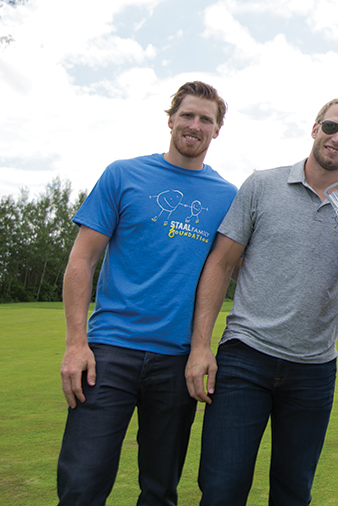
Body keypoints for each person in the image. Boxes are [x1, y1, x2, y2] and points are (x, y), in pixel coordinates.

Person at [57, 81, 237, 505]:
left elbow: (233, 269)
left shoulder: (227, 197)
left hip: (177, 363)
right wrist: (75, 343)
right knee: (82, 484)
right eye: (188, 115)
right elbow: (81, 261)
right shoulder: (123, 174)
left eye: (205, 119)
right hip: (108, 354)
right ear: (170, 118)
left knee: (159, 491)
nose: (195, 125)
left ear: (217, 131)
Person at [185, 98, 338, 505]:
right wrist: (200, 346)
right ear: (315, 127)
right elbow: (220, 264)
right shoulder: (261, 185)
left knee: (292, 493)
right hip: (245, 358)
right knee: (222, 490)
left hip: (314, 371)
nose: (337, 138)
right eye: (331, 127)